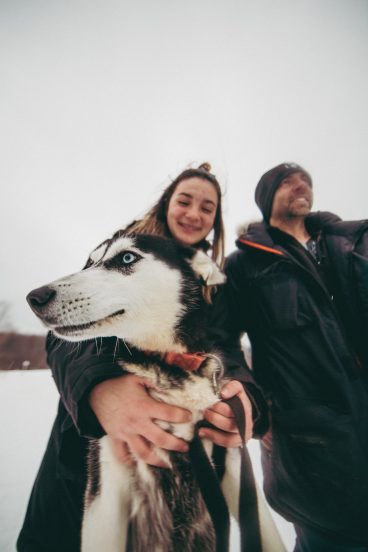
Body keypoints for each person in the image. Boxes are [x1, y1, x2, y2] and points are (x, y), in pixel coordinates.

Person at [17, 163, 267, 552]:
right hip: (93, 447)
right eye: (184, 200)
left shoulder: (212, 279)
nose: (193, 213)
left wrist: (245, 397)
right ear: (167, 204)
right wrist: (99, 387)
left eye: (207, 207)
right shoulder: (120, 249)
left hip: (186, 480)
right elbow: (67, 332)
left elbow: (226, 348)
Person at [220, 162, 368, 551]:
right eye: (288, 182)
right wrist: (252, 399)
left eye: (307, 181)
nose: (301, 185)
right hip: (315, 456)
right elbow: (221, 341)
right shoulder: (244, 266)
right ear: (267, 197)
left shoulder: (353, 246)